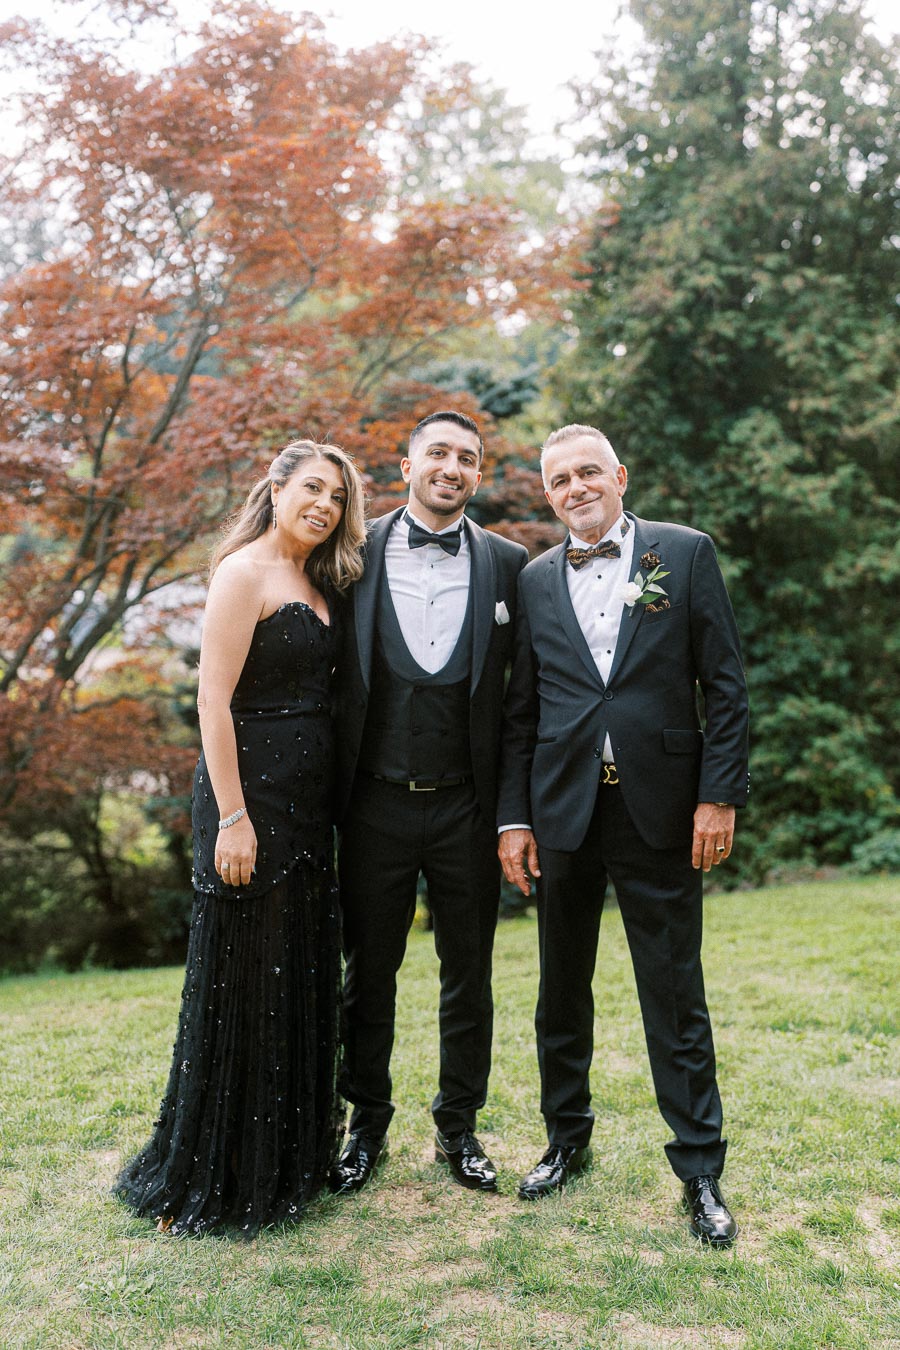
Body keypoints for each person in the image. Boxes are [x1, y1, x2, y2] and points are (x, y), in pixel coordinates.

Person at [498, 424, 749, 1246]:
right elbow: (522, 711)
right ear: (549, 494)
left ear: (619, 475)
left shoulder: (683, 553)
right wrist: (515, 816)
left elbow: (727, 687)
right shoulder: (536, 580)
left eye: (588, 473)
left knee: (674, 993)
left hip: (663, 809)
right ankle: (566, 1141)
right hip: (565, 808)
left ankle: (701, 1169)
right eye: (560, 479)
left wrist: (718, 798)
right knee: (560, 989)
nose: (576, 488)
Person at [114, 440, 366, 1236]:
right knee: (244, 982)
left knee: (298, 976)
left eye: (337, 496)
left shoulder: (324, 579)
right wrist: (232, 817)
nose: (323, 505)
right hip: (246, 804)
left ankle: (291, 1157)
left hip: (307, 810)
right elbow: (211, 702)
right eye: (312, 489)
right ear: (279, 486)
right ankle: (225, 1173)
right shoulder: (241, 572)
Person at [330, 410, 528, 1196]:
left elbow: (522, 707)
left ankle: (460, 1127)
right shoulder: (349, 553)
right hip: (372, 805)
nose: (452, 467)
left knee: (468, 975)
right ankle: (364, 1126)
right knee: (367, 974)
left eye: (467, 458)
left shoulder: (512, 565)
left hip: (468, 811)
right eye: (437, 453)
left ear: (479, 476)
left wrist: (512, 810)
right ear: (404, 466)